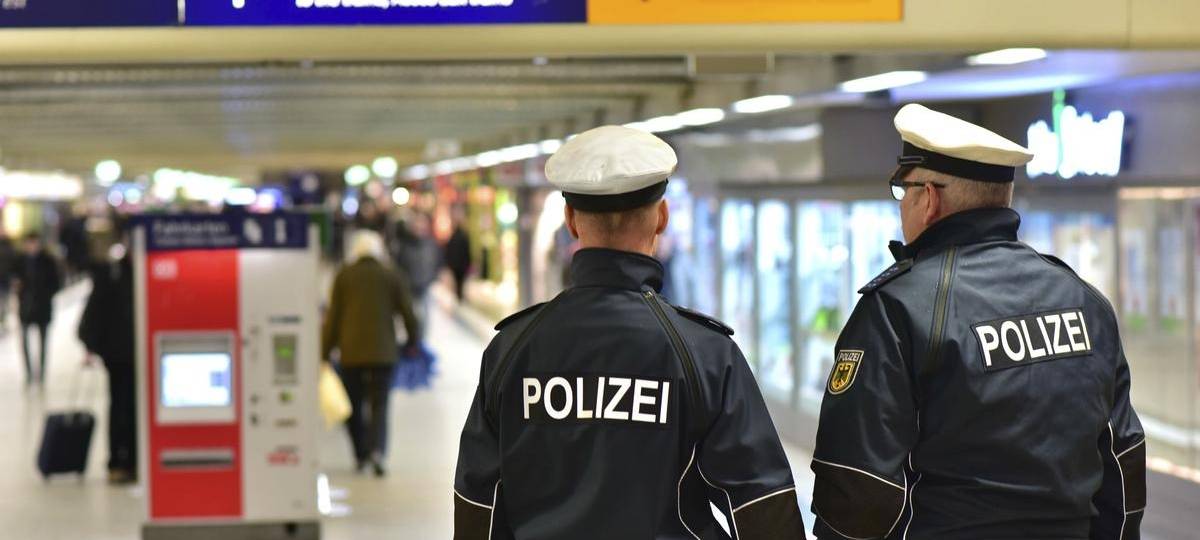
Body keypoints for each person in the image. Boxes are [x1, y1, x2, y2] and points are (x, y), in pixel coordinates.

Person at [810, 104, 1145, 539]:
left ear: (929, 198)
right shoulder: (1085, 302)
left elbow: (858, 491)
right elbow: (1122, 464)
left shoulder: (897, 310)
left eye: (903, 191)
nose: (902, 205)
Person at [454, 126, 805, 539]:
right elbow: (762, 504)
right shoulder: (704, 354)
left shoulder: (512, 349)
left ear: (571, 221)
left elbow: (478, 500)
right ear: (662, 218)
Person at [322, 230, 421, 477]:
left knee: (353, 405)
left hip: (350, 354)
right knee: (380, 405)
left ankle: (360, 454)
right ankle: (378, 452)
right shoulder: (391, 274)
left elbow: (333, 317)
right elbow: (408, 311)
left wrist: (324, 351)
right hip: (383, 353)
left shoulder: (344, 275)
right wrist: (413, 341)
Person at [78, 238, 137, 484]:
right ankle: (119, 461)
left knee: (134, 407)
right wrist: (94, 347)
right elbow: (93, 315)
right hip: (119, 355)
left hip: (140, 354)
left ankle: (134, 458)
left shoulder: (142, 272)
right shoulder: (112, 274)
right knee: (121, 406)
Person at [15, 233, 61, 386]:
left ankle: (41, 372)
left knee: (43, 341)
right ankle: (29, 373)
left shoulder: (47, 261)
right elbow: (14, 278)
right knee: (24, 340)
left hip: (42, 307)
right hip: (26, 307)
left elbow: (56, 282)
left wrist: (46, 294)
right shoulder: (20, 261)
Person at [392, 213, 441, 330]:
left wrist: (432, 278)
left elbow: (437, 263)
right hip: (408, 289)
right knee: (410, 319)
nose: (419, 227)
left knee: (424, 320)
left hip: (425, 288)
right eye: (417, 223)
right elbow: (398, 267)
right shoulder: (404, 245)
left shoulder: (431, 244)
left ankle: (420, 339)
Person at [444, 211, 472, 302]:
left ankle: (458, 296)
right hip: (462, 265)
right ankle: (460, 296)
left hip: (455, 265)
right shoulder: (464, 236)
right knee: (461, 281)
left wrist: (449, 263)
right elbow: (467, 252)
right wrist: (468, 262)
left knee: (457, 281)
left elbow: (448, 251)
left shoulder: (452, 237)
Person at [0, 232, 16, 333]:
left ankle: (3, 321)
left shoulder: (9, 246)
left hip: (5, 279)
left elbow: (13, 263)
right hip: (5, 279)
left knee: (4, 302)